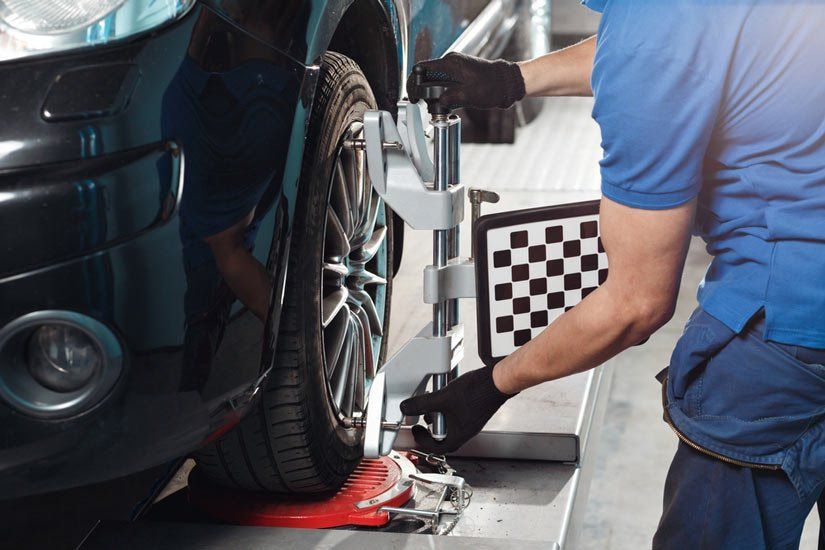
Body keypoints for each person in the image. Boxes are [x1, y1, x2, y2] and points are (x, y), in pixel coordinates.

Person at [402, 1, 825, 548]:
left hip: (785, 330)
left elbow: (638, 303)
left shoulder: (650, 34)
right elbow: (686, 46)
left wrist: (492, 385)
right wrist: (514, 79)